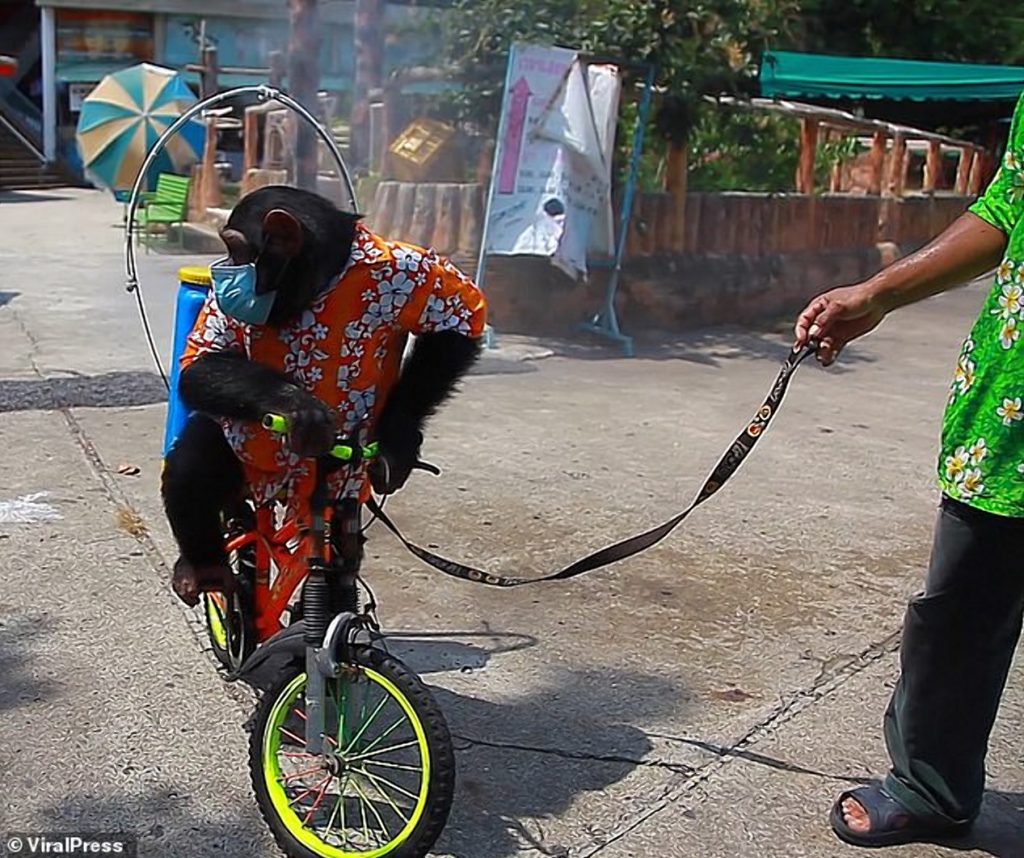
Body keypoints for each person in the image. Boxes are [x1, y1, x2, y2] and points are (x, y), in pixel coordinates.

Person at [794, 93, 1024, 848]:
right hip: (1011, 411)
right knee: (962, 606)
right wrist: (880, 292)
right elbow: (1008, 203)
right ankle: (932, 786)